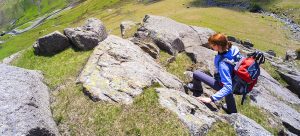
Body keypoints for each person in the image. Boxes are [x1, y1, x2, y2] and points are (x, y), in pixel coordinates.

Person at [186, 33, 243, 114]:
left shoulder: (223, 64)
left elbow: (228, 87)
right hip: (236, 80)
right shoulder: (234, 49)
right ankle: (232, 110)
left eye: (212, 45)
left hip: (227, 83)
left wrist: (211, 99)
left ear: (218, 46)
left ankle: (197, 89)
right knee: (228, 85)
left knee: (196, 73)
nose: (210, 46)